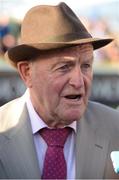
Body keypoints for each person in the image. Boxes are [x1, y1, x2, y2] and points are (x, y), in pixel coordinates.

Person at [0, 2, 119, 179]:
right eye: (64, 67)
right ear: (27, 72)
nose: (79, 81)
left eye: (86, 65)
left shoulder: (114, 127)